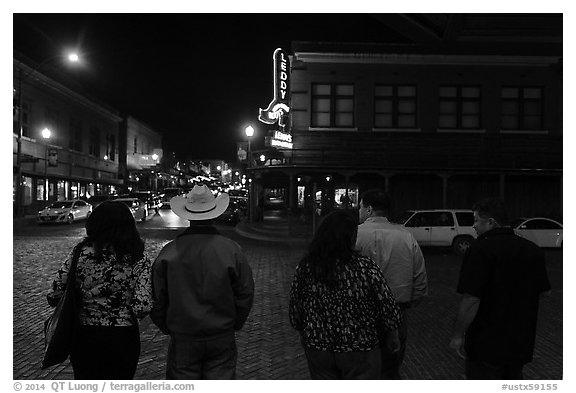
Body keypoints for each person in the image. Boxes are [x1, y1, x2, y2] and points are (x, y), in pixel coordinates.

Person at [150, 184, 254, 379]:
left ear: (188, 216)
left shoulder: (169, 252)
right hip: (221, 333)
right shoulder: (231, 250)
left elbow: (156, 298)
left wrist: (167, 326)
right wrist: (234, 322)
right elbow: (245, 292)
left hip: (183, 335)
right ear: (214, 214)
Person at [289, 210, 402, 379]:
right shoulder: (365, 267)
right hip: (360, 346)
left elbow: (296, 309)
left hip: (319, 347)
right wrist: (392, 334)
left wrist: (304, 331)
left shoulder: (307, 267)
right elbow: (386, 305)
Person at [47, 201, 153, 379]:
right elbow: (142, 306)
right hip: (123, 335)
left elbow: (55, 293)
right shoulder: (138, 256)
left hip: (84, 335)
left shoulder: (80, 252)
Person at [449, 198, 551, 379]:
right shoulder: (532, 249)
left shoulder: (480, 249)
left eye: (476, 220)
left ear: (490, 222)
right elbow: (545, 291)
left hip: (486, 342)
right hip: (520, 340)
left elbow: (471, 298)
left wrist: (458, 335)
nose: (473, 226)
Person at [355, 189, 428, 379]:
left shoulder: (355, 235)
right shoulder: (406, 236)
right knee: (390, 368)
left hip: (360, 312)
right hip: (397, 310)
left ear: (369, 209)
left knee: (362, 370)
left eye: (360, 207)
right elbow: (420, 280)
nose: (359, 211)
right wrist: (410, 301)